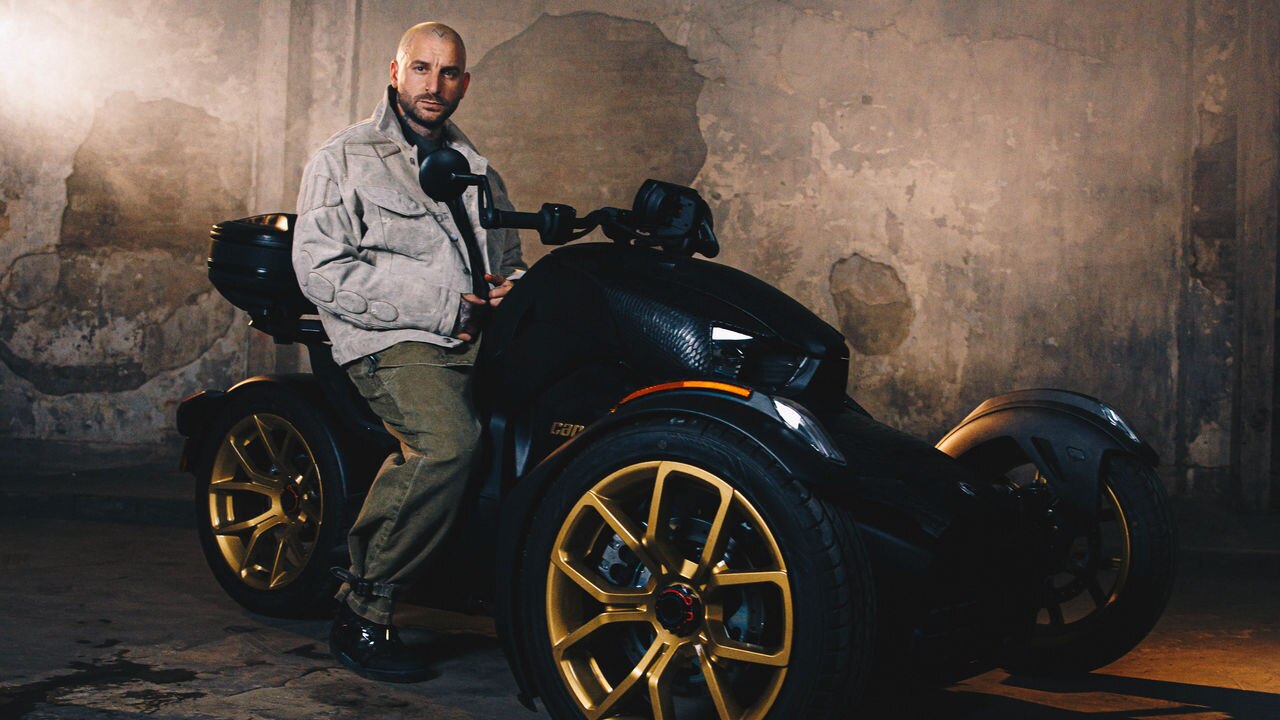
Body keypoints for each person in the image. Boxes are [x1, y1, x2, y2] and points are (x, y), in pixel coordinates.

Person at [291, 21, 524, 682]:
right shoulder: (344, 158)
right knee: (450, 441)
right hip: (391, 343)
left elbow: (509, 262)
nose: (435, 85)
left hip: (477, 342)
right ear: (395, 72)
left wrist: (511, 290)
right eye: (422, 69)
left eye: (449, 73)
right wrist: (441, 306)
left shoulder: (479, 169)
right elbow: (320, 270)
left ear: (465, 83)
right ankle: (364, 607)